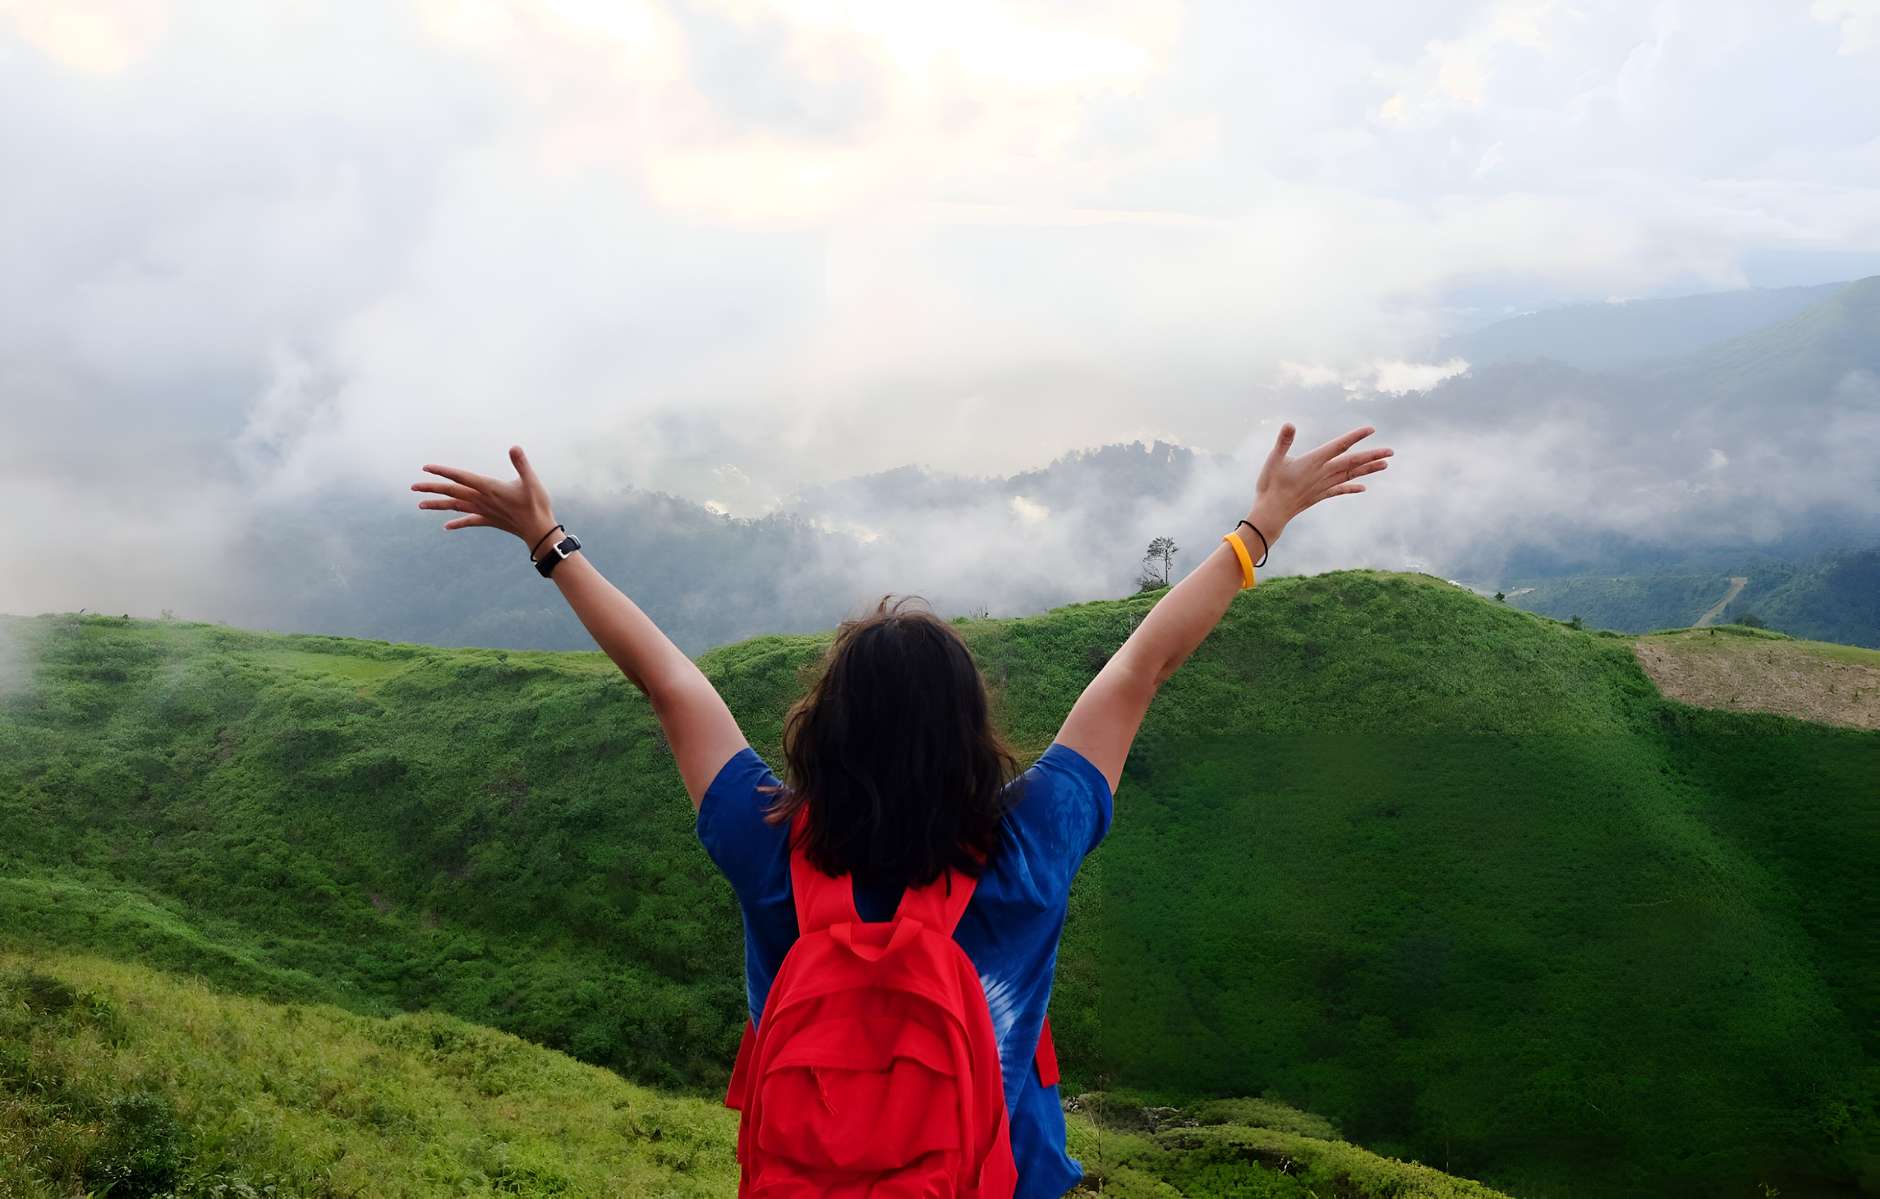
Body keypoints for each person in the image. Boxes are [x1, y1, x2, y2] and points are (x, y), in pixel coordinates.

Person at [411, 421, 1391, 1196]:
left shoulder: (767, 845)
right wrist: (1260, 524)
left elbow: (670, 682)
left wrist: (549, 542)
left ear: (820, 731)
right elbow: (1142, 664)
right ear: (973, 732)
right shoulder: (1032, 840)